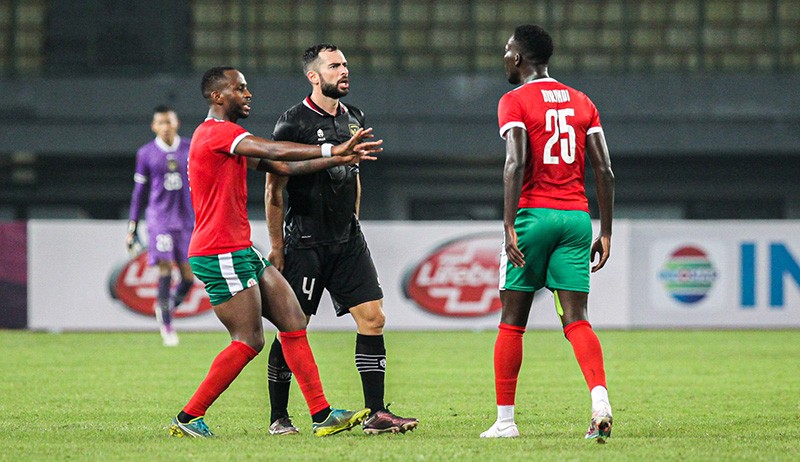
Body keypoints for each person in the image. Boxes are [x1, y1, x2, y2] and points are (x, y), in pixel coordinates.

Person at [168, 66, 383, 438]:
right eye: (240, 88)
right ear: (218, 97)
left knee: (294, 321)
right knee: (249, 339)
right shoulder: (217, 134)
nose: (248, 94)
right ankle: (189, 417)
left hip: (239, 248)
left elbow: (281, 165)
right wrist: (332, 147)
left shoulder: (225, 138)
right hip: (219, 251)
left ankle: (321, 415)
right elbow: (271, 148)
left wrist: (338, 159)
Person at [264, 44, 418, 436]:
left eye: (346, 64)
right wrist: (278, 246)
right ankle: (279, 417)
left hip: (347, 238)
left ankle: (376, 413)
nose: (344, 71)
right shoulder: (292, 123)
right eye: (334, 66)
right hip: (305, 241)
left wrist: (355, 222)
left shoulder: (355, 118)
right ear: (313, 76)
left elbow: (355, 174)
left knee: (373, 318)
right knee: (293, 327)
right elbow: (274, 189)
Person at [480, 25, 616, 442]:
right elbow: (605, 171)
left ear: (519, 58)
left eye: (507, 51)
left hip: (534, 215)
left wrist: (508, 225)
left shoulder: (514, 101)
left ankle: (505, 422)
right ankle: (599, 400)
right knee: (577, 319)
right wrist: (605, 231)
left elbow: (515, 163)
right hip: (576, 218)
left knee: (512, 322)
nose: (504, 56)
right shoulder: (581, 101)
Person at [126, 105, 194, 347]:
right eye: (161, 123)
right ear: (154, 126)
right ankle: (166, 325)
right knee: (165, 268)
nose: (166, 127)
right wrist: (132, 226)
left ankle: (166, 305)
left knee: (189, 277)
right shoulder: (146, 153)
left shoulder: (190, 148)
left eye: (169, 122)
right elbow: (139, 192)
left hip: (186, 221)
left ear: (177, 123)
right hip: (159, 220)